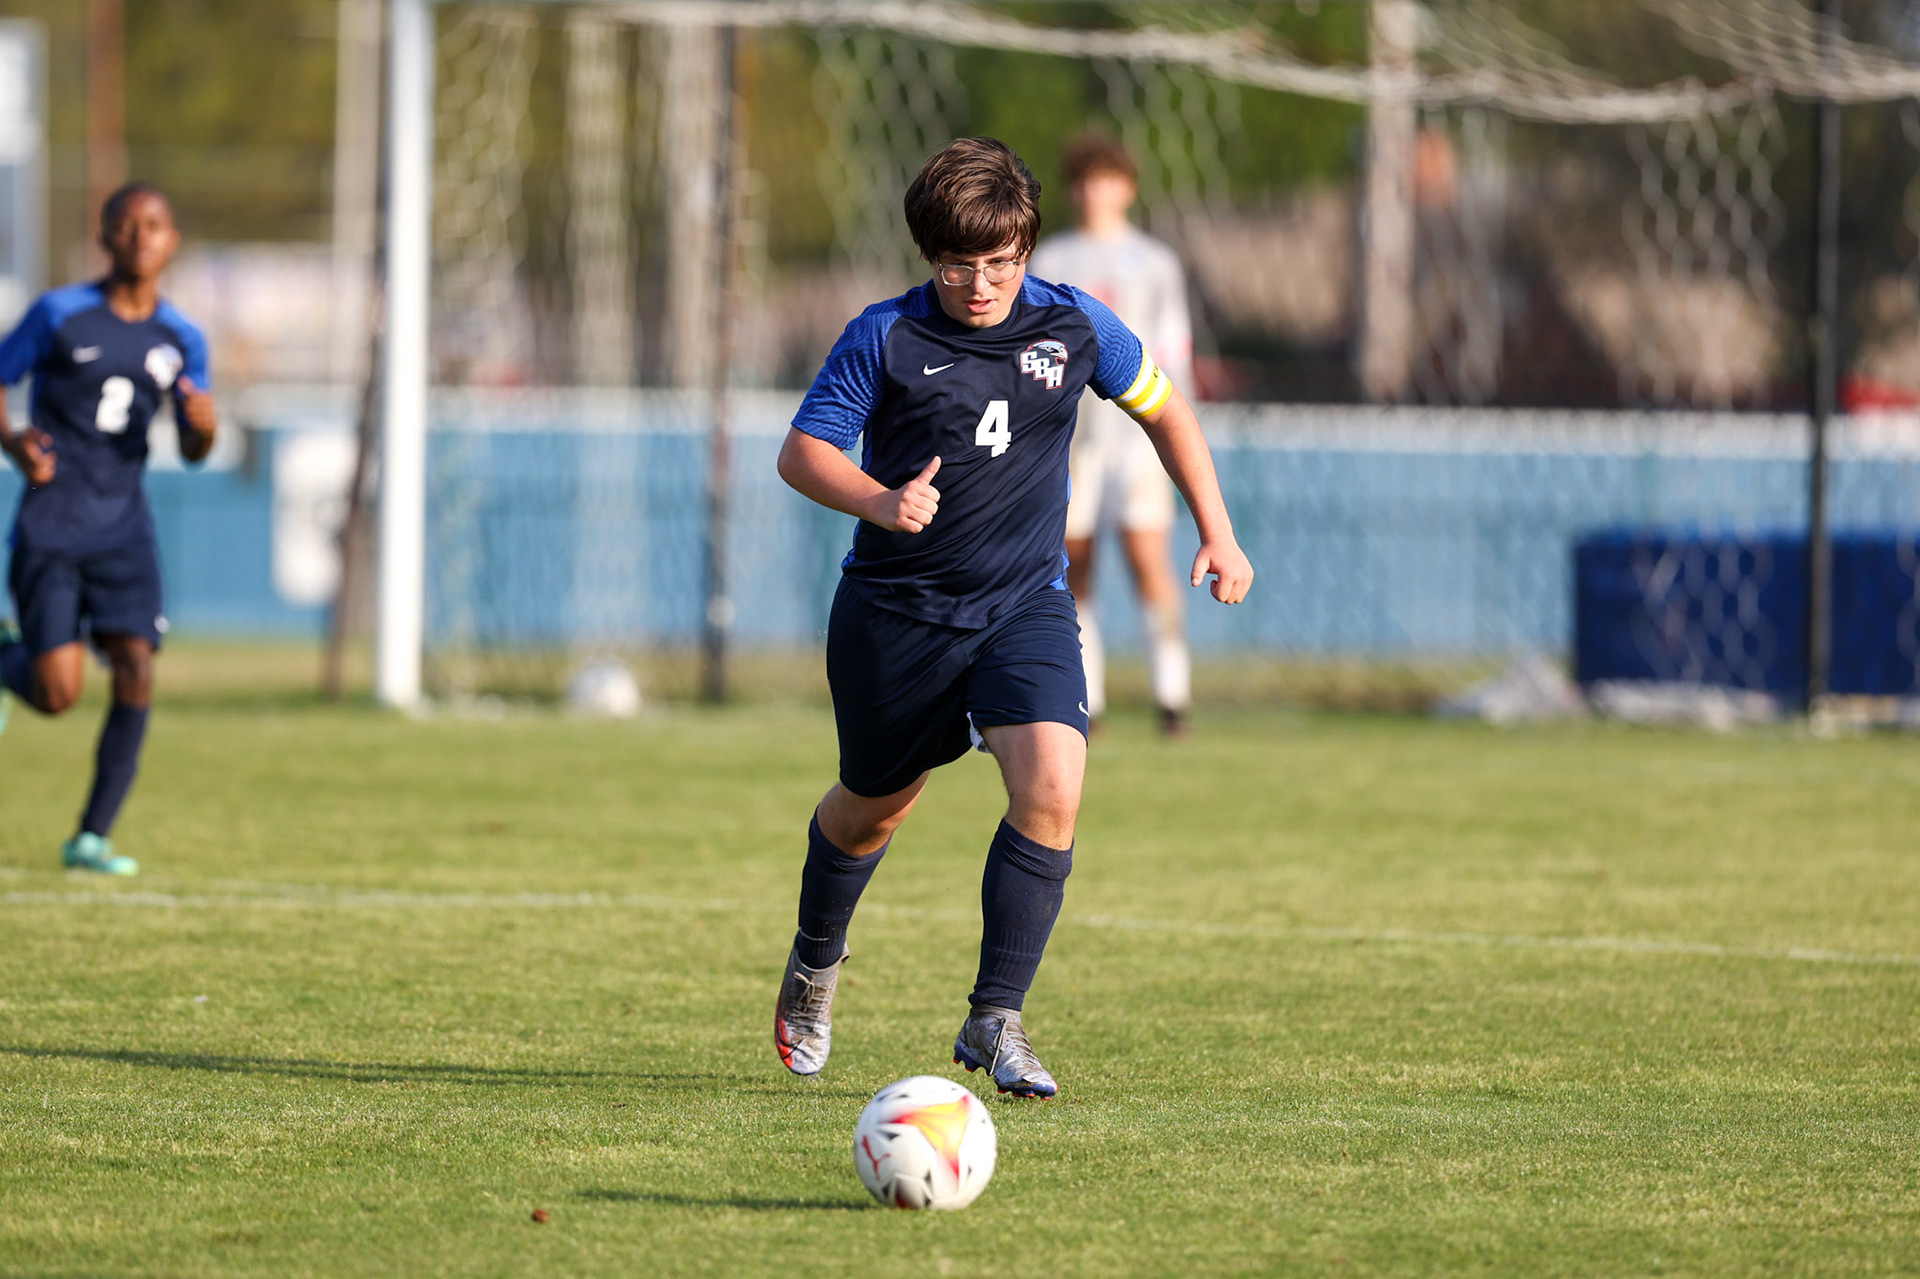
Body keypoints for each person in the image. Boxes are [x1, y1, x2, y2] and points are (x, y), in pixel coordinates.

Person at [771, 137, 1252, 1098]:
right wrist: (877, 499)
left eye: (1000, 263)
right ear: (928, 254)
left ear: (1027, 248)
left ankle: (995, 1018)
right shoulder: (884, 336)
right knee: (873, 810)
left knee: (1055, 780)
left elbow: (1167, 410)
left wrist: (1218, 530)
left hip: (1023, 606)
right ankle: (816, 964)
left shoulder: (1079, 325)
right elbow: (801, 452)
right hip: (896, 615)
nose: (981, 283)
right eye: (959, 264)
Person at [0, 183, 217, 875]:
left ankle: (91, 835)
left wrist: (203, 430)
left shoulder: (184, 338)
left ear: (171, 240)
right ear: (104, 236)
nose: (139, 237)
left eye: (154, 224)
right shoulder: (60, 315)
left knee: (137, 667)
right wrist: (11, 440)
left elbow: (192, 448)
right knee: (57, 693)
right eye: (126, 225)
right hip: (53, 525)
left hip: (124, 527)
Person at [1031, 135, 1197, 736]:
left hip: (1138, 439)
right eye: (1085, 179)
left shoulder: (1154, 262)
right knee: (1075, 561)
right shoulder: (1052, 261)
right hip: (1074, 437)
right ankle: (1087, 697)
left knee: (1146, 553)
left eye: (1107, 178)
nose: (1096, 191)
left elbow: (1176, 350)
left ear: (1127, 187)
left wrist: (1179, 427)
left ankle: (1172, 694)